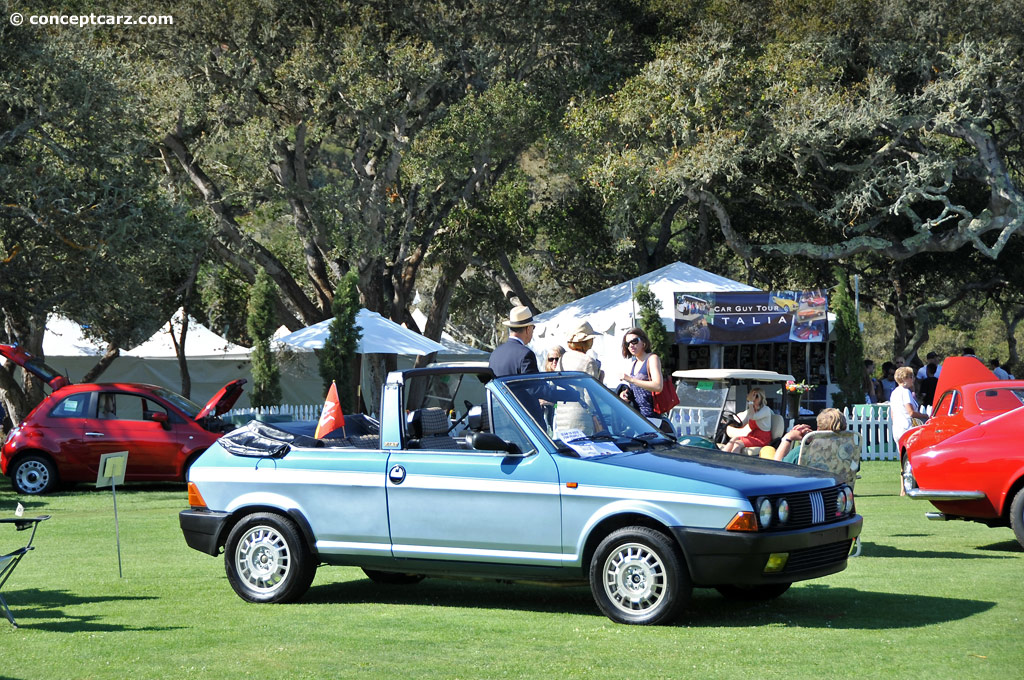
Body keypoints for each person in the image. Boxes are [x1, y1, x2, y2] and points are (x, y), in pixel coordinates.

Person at [619, 327, 664, 422]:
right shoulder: (633, 364)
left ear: (643, 342)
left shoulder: (652, 359)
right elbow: (636, 391)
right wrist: (626, 394)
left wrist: (631, 380)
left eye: (634, 341)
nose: (631, 345)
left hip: (652, 418)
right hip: (637, 417)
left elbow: (658, 386)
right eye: (627, 344)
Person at [773, 408, 847, 463]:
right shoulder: (848, 451)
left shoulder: (802, 452)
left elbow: (777, 466)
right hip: (837, 483)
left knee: (767, 450)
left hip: (809, 484)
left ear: (818, 428)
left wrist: (788, 438)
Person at [489, 306, 540, 377]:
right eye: (533, 327)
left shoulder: (495, 354)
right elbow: (534, 386)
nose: (533, 331)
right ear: (528, 329)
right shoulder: (526, 354)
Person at [722, 387, 774, 453]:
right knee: (734, 439)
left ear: (759, 398)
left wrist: (751, 402)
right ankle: (721, 457)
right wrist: (730, 423)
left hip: (762, 438)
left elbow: (752, 417)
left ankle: (733, 462)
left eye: (755, 397)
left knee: (738, 444)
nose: (753, 399)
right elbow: (742, 424)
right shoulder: (750, 411)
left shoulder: (765, 409)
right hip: (753, 435)